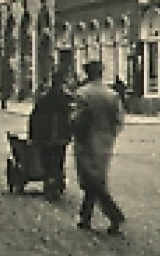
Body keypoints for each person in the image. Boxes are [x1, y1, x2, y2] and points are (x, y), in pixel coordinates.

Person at [71, 58, 127, 235]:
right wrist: (110, 135)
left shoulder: (82, 94)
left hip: (86, 141)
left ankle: (114, 215)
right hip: (104, 142)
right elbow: (119, 120)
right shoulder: (111, 95)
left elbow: (77, 119)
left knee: (92, 181)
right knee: (95, 179)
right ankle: (85, 217)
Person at [27, 73, 73, 201]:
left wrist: (32, 135)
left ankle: (51, 182)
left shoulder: (45, 100)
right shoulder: (65, 100)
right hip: (56, 137)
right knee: (57, 160)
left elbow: (34, 118)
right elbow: (70, 119)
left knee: (49, 161)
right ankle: (55, 182)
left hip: (48, 137)